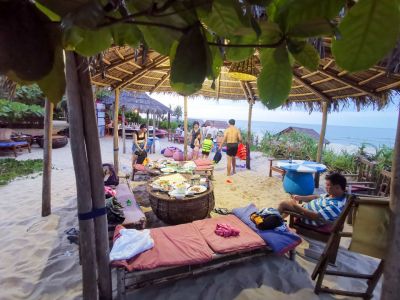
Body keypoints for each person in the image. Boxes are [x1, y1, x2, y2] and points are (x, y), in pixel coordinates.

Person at [277, 173, 347, 226]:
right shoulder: (332, 195)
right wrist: (300, 197)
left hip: (308, 218)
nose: (326, 187)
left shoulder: (335, 205)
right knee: (290, 203)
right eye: (326, 185)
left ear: (337, 187)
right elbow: (316, 197)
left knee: (283, 204)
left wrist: (296, 206)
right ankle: (278, 220)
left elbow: (316, 216)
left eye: (328, 185)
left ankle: (272, 222)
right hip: (305, 209)